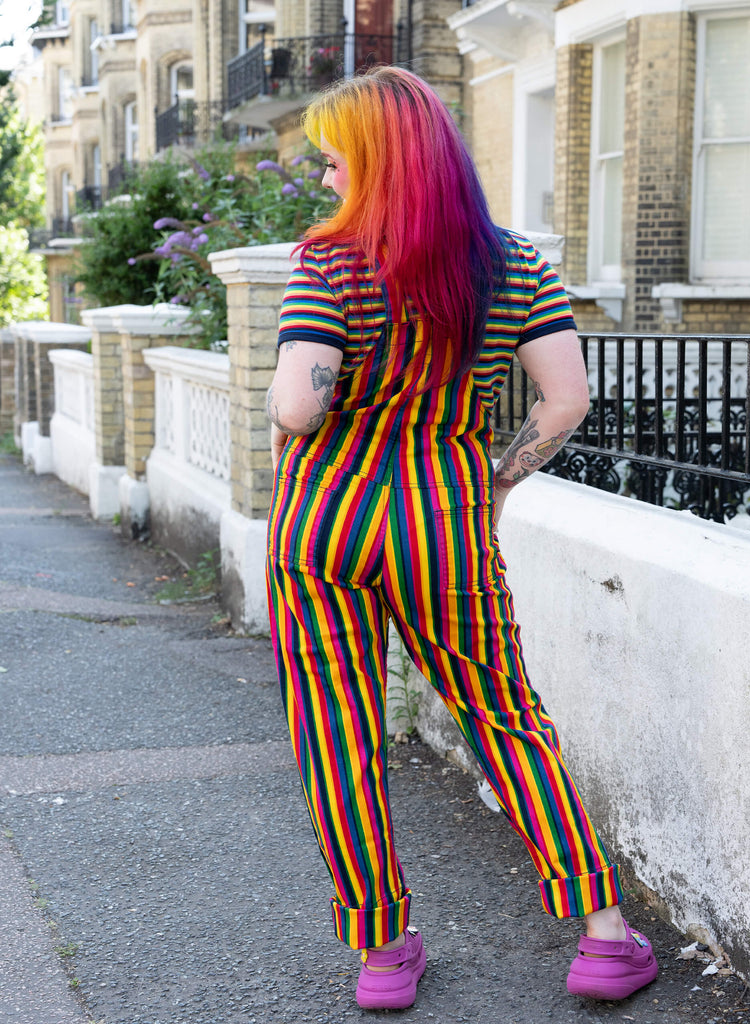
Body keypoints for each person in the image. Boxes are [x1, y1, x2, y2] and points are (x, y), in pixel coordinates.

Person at [265, 66, 658, 1011]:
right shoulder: (517, 264)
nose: (326, 183)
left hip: (324, 527)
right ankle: (601, 935)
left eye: (333, 163)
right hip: (442, 523)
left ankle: (383, 950)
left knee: (337, 737)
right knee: (503, 718)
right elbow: (563, 400)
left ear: (372, 162)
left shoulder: (330, 260)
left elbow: (294, 407)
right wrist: (488, 482)